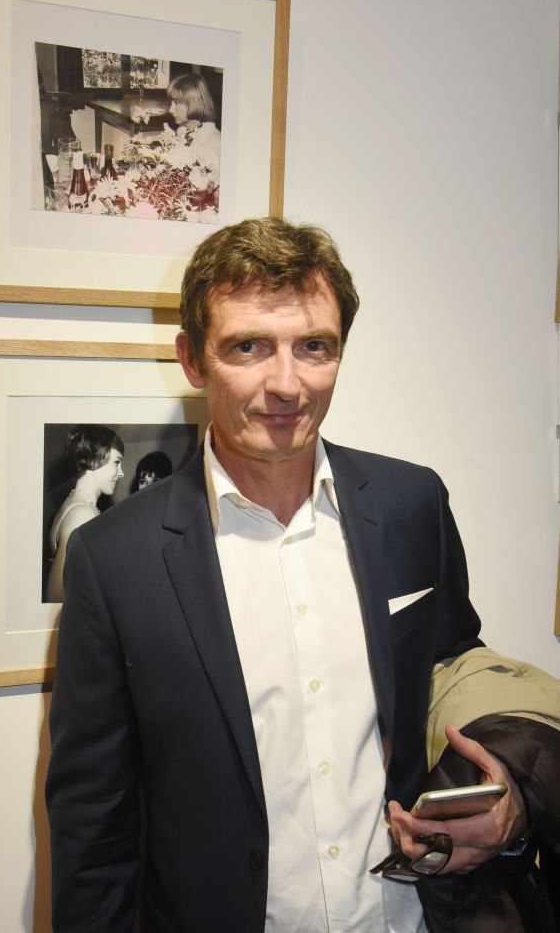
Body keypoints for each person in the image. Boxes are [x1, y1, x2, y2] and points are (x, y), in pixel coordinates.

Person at [46, 217, 534, 932]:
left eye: (314, 347)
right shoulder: (114, 559)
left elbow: (457, 677)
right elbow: (94, 824)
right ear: (191, 360)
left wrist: (508, 799)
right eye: (248, 346)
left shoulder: (411, 504)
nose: (287, 384)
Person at [44, 425, 124, 604]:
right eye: (117, 463)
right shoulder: (82, 514)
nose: (121, 473)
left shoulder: (76, 504)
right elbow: (56, 596)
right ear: (96, 459)